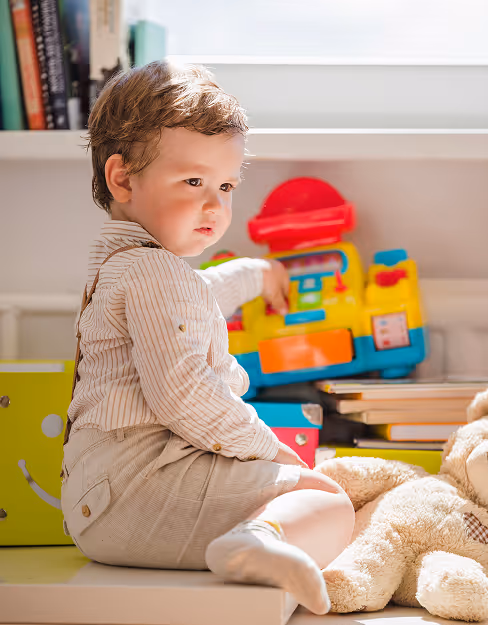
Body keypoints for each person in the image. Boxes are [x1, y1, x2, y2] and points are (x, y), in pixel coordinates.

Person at [61, 60, 355, 615]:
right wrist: (274, 451)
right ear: (122, 178)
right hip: (135, 495)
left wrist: (255, 273)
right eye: (193, 181)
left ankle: (256, 540)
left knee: (312, 495)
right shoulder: (155, 274)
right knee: (325, 499)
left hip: (103, 503)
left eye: (225, 185)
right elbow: (185, 394)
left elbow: (197, 298)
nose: (215, 205)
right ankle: (255, 542)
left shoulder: (128, 269)